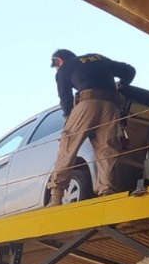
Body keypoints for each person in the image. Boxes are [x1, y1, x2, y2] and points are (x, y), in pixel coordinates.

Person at [48, 48, 137, 201]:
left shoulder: (64, 68)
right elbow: (129, 71)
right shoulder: (98, 58)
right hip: (111, 106)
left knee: (68, 146)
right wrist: (120, 85)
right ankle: (107, 191)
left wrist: (69, 118)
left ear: (59, 61)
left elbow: (65, 97)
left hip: (86, 104)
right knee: (107, 149)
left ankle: (56, 196)